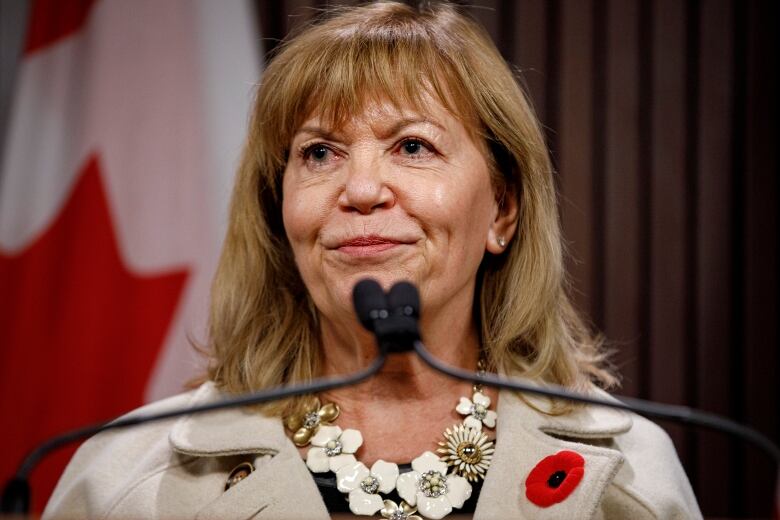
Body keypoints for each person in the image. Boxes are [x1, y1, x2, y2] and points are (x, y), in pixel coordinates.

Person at [43, 2, 701, 519]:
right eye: (320, 153)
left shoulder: (634, 474)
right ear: (280, 213)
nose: (359, 190)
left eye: (412, 146)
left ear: (502, 210)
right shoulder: (126, 481)